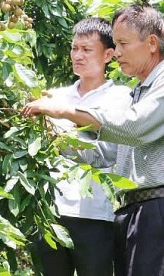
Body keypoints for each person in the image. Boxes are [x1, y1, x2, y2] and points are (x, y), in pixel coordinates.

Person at [22, 1, 164, 276]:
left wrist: (67, 111)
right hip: (129, 212)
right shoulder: (138, 92)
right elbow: (104, 154)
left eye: (123, 43)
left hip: (161, 211)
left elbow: (134, 127)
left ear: (152, 43)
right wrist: (51, 134)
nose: (116, 53)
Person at [31, 17, 132, 276]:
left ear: (108, 54)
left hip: (96, 215)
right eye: (75, 48)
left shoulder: (120, 98)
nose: (78, 55)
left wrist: (59, 131)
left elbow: (107, 154)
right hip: (51, 212)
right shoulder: (54, 96)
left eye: (87, 49)